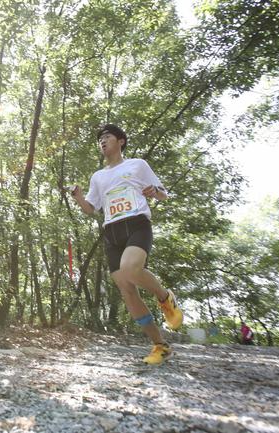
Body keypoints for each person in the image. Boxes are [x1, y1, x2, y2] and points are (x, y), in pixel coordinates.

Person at [70, 124, 183, 365]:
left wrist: (155, 192)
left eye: (107, 137)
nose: (102, 141)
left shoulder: (137, 165)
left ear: (120, 141)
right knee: (127, 290)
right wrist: (79, 197)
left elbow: (163, 193)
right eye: (100, 139)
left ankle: (165, 298)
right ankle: (160, 345)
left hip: (137, 224)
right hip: (112, 231)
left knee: (132, 268)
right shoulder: (98, 177)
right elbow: (92, 209)